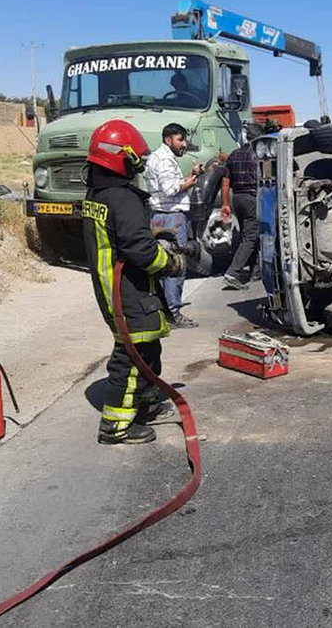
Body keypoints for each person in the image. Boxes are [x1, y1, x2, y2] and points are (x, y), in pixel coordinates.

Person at [82, 119, 190, 445]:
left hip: (115, 288)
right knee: (130, 356)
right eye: (135, 157)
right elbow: (139, 248)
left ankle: (144, 404)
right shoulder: (121, 198)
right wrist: (171, 263)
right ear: (120, 156)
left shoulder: (99, 194)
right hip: (126, 290)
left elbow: (123, 238)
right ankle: (116, 426)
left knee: (148, 347)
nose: (138, 162)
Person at [144, 123, 202, 328]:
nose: (184, 144)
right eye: (180, 139)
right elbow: (170, 189)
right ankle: (174, 313)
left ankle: (165, 309)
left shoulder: (156, 157)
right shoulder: (165, 159)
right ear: (168, 140)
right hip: (171, 218)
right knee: (176, 266)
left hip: (159, 216)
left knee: (163, 265)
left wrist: (191, 175)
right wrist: (190, 183)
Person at [221, 126, 262, 289]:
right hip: (253, 197)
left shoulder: (234, 155)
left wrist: (226, 204)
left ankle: (255, 271)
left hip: (237, 198)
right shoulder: (259, 155)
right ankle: (233, 273)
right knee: (251, 237)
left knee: (250, 234)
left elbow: (225, 183)